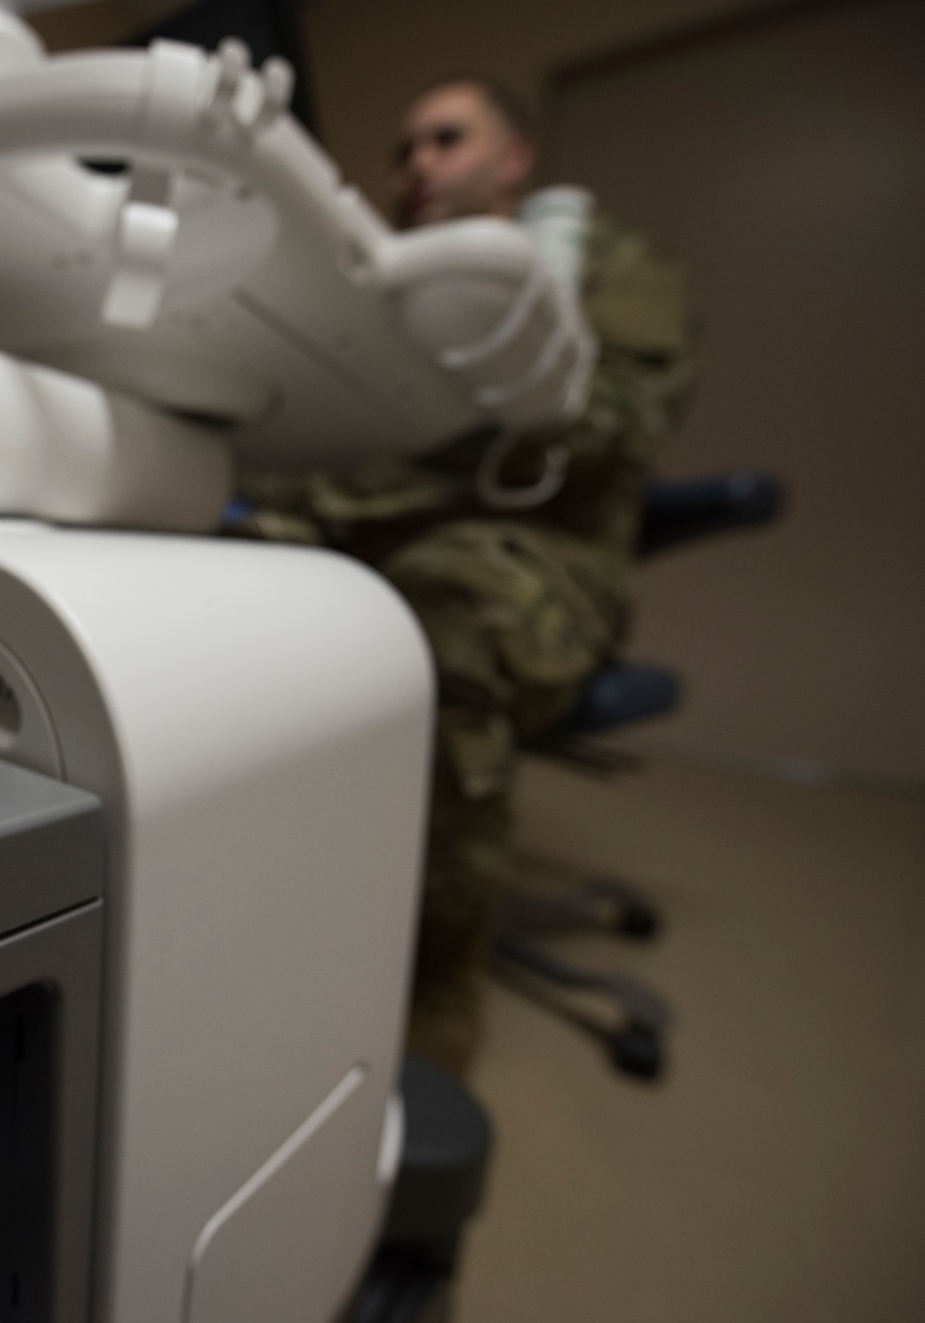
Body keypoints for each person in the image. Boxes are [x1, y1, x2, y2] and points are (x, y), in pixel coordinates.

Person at [227, 78, 699, 1072]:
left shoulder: (601, 267)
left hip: (542, 565)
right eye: (402, 150)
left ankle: (435, 986)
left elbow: (610, 424)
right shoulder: (382, 289)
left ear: (512, 159)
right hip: (392, 537)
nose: (415, 167)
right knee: (238, 588)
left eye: (445, 140)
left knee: (440, 604)